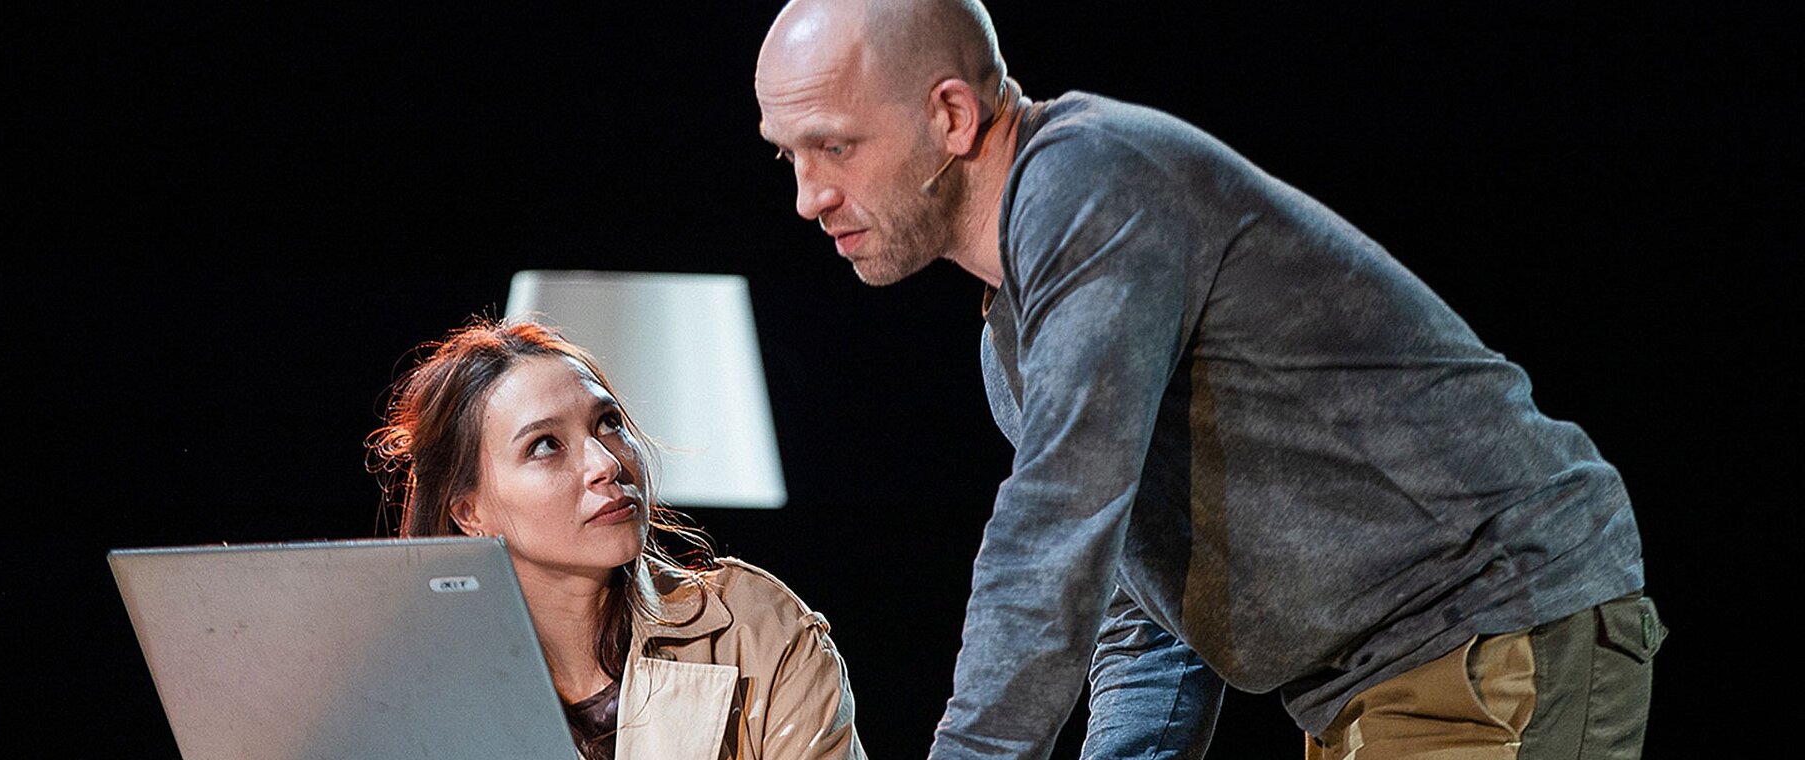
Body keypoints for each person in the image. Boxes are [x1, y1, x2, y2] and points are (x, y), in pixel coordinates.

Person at [753, 1, 1664, 759]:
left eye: (835, 146)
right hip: (1376, 682)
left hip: (1493, 622)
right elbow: (1149, 601)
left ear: (952, 115)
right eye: (788, 155)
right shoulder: (1014, 341)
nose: (808, 195)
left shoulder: (1091, 184)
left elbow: (1049, 540)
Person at [365, 316, 868, 760]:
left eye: (608, 423)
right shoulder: (417, 694)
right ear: (469, 512)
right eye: (545, 445)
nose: (606, 463)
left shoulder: (755, 629)